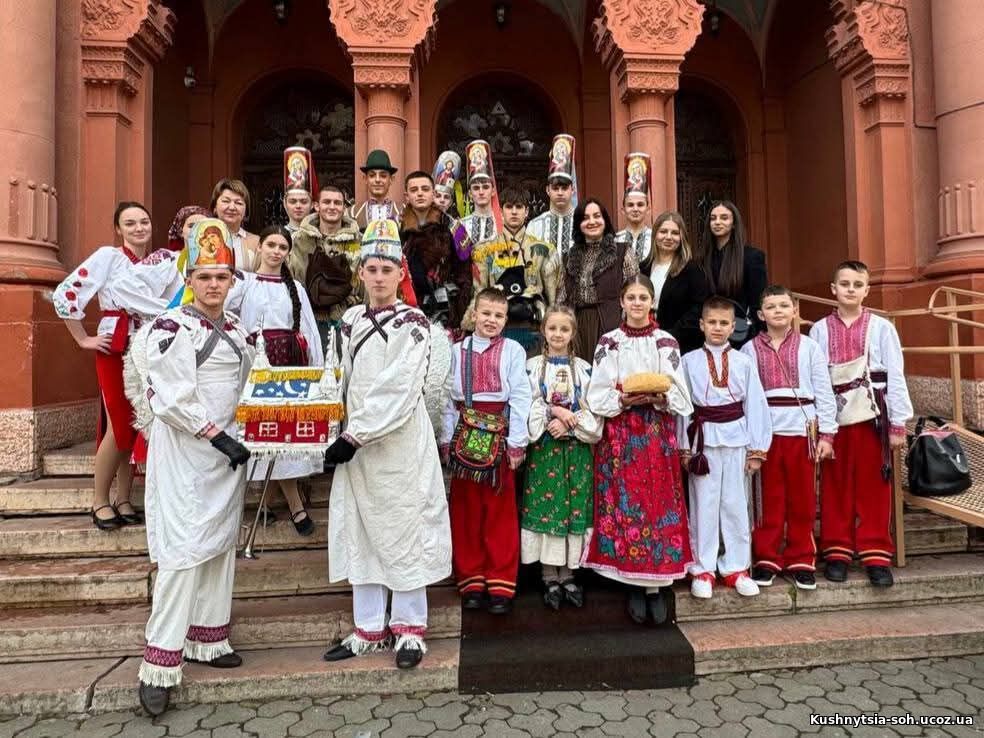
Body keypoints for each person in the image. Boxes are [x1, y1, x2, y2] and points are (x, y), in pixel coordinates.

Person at [136, 218, 253, 716]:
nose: (213, 285)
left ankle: (209, 638)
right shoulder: (170, 328)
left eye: (221, 277)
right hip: (187, 454)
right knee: (182, 553)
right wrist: (215, 435)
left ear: (232, 281)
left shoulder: (239, 329)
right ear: (189, 280)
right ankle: (160, 661)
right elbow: (171, 397)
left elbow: (252, 385)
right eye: (204, 277)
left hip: (228, 456)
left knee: (220, 546)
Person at [322, 219, 451, 669]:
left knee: (404, 529)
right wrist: (327, 427)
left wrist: (355, 434)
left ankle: (410, 629)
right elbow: (335, 375)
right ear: (361, 273)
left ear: (400, 274)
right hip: (354, 447)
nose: (379, 277)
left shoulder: (414, 324)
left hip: (398, 444)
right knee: (361, 530)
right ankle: (368, 628)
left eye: (387, 270)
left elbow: (400, 386)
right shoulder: (349, 321)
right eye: (372, 269)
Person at [53, 202, 174, 529]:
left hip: (146, 346)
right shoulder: (108, 257)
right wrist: (83, 338)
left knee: (135, 424)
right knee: (119, 424)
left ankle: (123, 498)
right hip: (115, 346)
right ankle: (99, 500)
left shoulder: (159, 262)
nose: (139, 228)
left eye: (144, 221)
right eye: (130, 223)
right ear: (118, 229)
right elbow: (66, 293)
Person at [581, 275, 694, 625]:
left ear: (652, 301)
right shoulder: (609, 342)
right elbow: (597, 394)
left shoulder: (666, 342)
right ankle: (631, 581)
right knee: (625, 503)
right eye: (631, 297)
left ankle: (654, 586)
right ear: (622, 302)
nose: (637, 303)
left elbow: (681, 395)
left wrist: (660, 397)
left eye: (643, 297)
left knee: (657, 504)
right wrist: (622, 399)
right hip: (621, 434)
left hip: (656, 434)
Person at [808, 261, 913, 588]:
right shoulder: (819, 330)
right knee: (835, 484)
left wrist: (898, 423)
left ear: (867, 290)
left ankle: (876, 554)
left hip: (873, 415)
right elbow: (817, 380)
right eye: (845, 283)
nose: (850, 289)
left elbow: (895, 374)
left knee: (874, 486)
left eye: (857, 284)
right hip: (835, 417)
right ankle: (836, 552)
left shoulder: (882, 328)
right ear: (833, 289)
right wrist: (822, 426)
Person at [227, 226, 323, 536]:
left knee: (284, 435)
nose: (276, 251)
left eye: (282, 246)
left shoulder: (295, 287)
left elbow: (308, 329)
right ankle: (293, 505)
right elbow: (223, 314)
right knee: (264, 433)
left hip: (289, 367)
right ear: (260, 247)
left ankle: (271, 502)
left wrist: (316, 371)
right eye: (271, 244)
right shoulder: (244, 283)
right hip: (255, 366)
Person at [440, 288, 532, 615]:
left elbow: (520, 396)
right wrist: (446, 440)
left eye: (498, 315)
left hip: (499, 434)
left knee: (500, 509)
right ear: (474, 314)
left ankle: (500, 581)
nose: (491, 320)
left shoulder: (513, 350)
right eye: (486, 313)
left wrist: (517, 442)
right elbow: (447, 400)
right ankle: (471, 579)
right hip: (465, 433)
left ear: (506, 319)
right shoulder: (456, 350)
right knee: (465, 509)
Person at [741, 286, 837, 590]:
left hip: (801, 429)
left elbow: (824, 391)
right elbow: (746, 397)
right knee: (768, 499)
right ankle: (766, 558)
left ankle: (801, 558)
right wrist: (750, 439)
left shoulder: (810, 347)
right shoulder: (749, 350)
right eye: (771, 306)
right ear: (761, 314)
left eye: (784, 305)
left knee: (803, 499)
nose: (778, 311)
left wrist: (827, 434)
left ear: (794, 310)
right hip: (766, 432)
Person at [680, 296, 772, 599]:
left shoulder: (744, 362)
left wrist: (757, 449)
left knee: (735, 503)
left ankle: (736, 567)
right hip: (702, 441)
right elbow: (683, 408)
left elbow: (755, 404)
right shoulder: (688, 361)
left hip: (736, 438)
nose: (717, 328)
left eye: (723, 323)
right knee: (704, 504)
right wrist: (684, 447)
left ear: (733, 327)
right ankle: (703, 569)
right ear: (702, 325)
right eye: (712, 322)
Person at [522, 306, 601, 610]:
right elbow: (527, 405)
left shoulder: (584, 369)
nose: (558, 334)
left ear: (573, 333)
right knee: (548, 507)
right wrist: (551, 412)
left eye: (564, 329)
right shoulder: (532, 368)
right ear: (543, 330)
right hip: (545, 452)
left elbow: (595, 411)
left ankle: (568, 574)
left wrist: (570, 421)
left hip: (576, 451)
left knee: (572, 507)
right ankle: (548, 575)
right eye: (552, 328)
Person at [468, 187, 560, 351]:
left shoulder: (545, 249)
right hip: (496, 327)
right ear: (501, 211)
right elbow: (478, 292)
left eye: (519, 207)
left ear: (527, 212)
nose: (514, 212)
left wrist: (554, 328)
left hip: (533, 327)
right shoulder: (484, 250)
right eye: (509, 207)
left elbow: (554, 298)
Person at [558, 198, 639, 362]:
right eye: (585, 218)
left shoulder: (623, 252)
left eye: (597, 216)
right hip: (577, 328)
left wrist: (627, 328)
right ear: (579, 224)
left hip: (611, 325)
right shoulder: (569, 257)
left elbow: (634, 292)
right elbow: (561, 298)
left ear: (605, 220)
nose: (592, 222)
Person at [290, 184, 362, 350]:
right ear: (316, 206)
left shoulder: (359, 240)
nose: (332, 207)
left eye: (337, 203)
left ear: (344, 208)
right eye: (327, 202)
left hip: (348, 317)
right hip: (309, 317)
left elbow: (364, 284)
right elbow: (292, 278)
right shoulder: (298, 240)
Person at [399, 170, 471, 327]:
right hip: (405, 308)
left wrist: (459, 313)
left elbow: (465, 274)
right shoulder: (396, 229)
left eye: (425, 189)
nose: (420, 194)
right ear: (406, 196)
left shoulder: (453, 227)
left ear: (433, 194)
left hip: (445, 310)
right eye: (414, 190)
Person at [694, 201, 767, 347]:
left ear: (734, 223)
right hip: (705, 333)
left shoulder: (751, 257)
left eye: (724, 218)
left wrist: (755, 335)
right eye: (713, 218)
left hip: (740, 334)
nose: (717, 222)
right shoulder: (700, 259)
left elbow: (757, 302)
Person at [650, 211, 711, 354]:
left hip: (681, 345)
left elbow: (698, 309)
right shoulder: (644, 267)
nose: (668, 237)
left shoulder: (692, 269)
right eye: (663, 231)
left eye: (675, 233)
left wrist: (669, 335)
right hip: (647, 344)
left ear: (682, 237)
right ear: (655, 235)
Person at [527, 134, 578, 263]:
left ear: (572, 190)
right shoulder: (535, 226)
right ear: (547, 190)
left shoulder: (582, 223)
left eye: (564, 188)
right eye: (555, 188)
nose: (560, 193)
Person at [211, 178, 259, 273]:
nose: (232, 207)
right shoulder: (202, 238)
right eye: (226, 201)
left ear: (246, 211)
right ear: (214, 207)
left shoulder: (257, 242)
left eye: (238, 203)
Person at [615, 153, 653, 270]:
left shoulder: (656, 239)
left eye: (640, 205)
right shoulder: (615, 240)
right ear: (623, 210)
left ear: (648, 209)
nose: (635, 209)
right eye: (630, 205)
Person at [458, 140, 500, 247]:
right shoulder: (461, 226)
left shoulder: (502, 223)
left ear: (493, 191)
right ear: (470, 193)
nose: (481, 192)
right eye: (476, 188)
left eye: (485, 187)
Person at [348, 149, 402, 228]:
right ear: (365, 179)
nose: (377, 180)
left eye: (383, 176)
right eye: (372, 175)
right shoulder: (352, 212)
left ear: (391, 179)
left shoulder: (403, 211)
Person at [282, 146, 315, 235]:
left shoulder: (320, 235)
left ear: (312, 204)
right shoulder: (278, 235)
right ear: (284, 204)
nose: (298, 206)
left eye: (304, 202)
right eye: (292, 201)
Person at [431, 150, 462, 217]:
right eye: (438, 196)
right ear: (432, 198)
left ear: (451, 202)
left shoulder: (456, 222)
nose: (442, 200)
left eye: (446, 197)